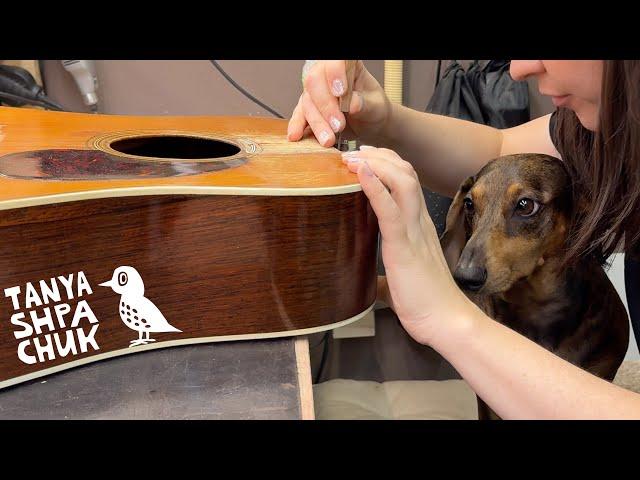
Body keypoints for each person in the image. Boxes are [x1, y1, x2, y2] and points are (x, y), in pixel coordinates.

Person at [287, 60, 640, 419]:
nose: (517, 70)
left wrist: (450, 321)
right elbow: (501, 150)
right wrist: (384, 121)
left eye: (525, 207)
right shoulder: (603, 128)